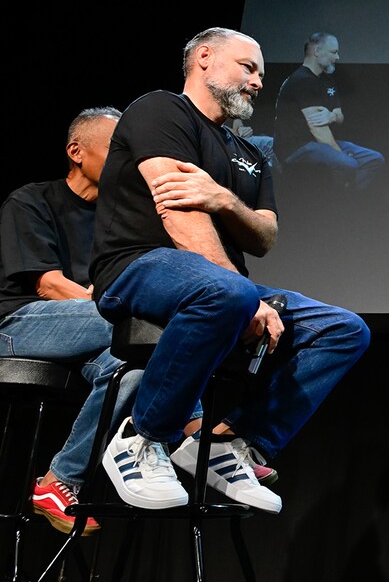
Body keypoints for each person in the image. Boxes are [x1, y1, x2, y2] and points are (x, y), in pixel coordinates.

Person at [90, 27, 371, 513]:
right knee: (228, 293)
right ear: (203, 58)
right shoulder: (162, 110)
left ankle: (231, 443)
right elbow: (178, 212)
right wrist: (244, 295)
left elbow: (264, 235)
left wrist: (222, 198)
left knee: (343, 329)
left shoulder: (250, 152)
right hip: (139, 265)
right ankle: (143, 436)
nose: (259, 81)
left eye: (261, 73)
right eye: (248, 67)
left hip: (219, 282)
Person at [1, 108, 131, 534]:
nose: (126, 160)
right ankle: (196, 430)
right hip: (19, 327)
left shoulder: (121, 219)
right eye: (117, 148)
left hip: (93, 329)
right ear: (76, 151)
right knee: (141, 324)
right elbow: (48, 285)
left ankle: (59, 481)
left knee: (131, 368)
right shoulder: (31, 200)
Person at [273, 32, 384, 189]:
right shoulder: (303, 81)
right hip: (297, 147)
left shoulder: (325, 80)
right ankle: (337, 202)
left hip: (320, 143)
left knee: (374, 158)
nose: (337, 57)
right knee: (349, 163)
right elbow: (318, 130)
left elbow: (340, 116)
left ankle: (348, 195)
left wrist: (331, 116)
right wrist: (341, 153)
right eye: (333, 52)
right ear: (317, 52)